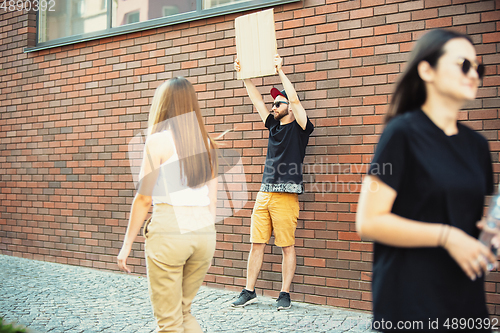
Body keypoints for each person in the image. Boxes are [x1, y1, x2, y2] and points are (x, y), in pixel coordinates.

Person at [356, 29, 497, 332]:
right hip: (409, 302)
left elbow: (468, 218)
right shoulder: (400, 134)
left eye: (478, 67)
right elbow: (368, 222)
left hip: (465, 302)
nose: (474, 74)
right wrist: (447, 236)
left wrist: (490, 237)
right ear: (426, 70)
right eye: (463, 64)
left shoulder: (477, 145)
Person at [117, 77, 218, 333]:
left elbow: (144, 197)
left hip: (170, 230)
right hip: (204, 233)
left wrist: (127, 244)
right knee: (184, 313)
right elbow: (213, 200)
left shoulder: (158, 141)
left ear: (162, 104)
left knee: (169, 323)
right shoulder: (206, 143)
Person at [231, 54, 314, 310]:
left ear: (289, 106)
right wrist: (243, 75)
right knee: (257, 243)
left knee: (286, 245)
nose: (274, 106)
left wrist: (280, 71)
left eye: (278, 103)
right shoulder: (273, 126)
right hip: (264, 193)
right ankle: (249, 290)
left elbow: (296, 100)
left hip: (286, 196)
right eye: (274, 103)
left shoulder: (301, 127)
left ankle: (284, 294)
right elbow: (256, 99)